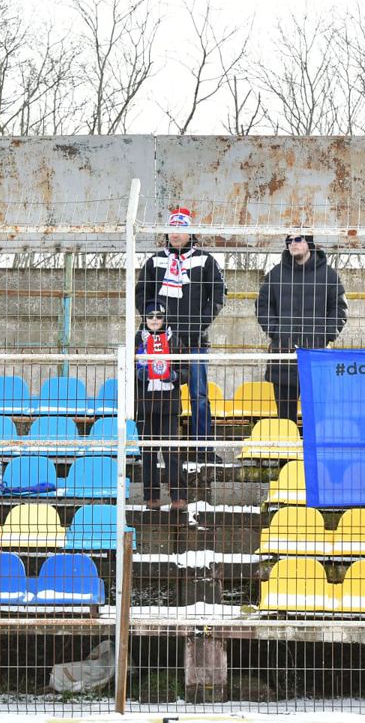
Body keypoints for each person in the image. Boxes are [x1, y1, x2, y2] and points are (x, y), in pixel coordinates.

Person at [135, 207, 226, 457]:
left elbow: (218, 296)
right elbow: (142, 294)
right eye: (172, 230)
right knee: (158, 391)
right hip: (160, 341)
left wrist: (199, 325)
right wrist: (155, 322)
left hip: (195, 339)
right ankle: (156, 451)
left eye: (181, 230)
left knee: (198, 393)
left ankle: (203, 449)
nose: (175, 235)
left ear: (190, 233)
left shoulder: (205, 260)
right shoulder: (155, 261)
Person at [255, 231, 347, 422]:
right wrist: (275, 331)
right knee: (284, 420)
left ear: (309, 243)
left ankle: (314, 453)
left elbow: (339, 308)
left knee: (316, 417)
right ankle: (288, 452)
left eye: (298, 239)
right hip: (283, 355)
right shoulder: (276, 274)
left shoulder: (328, 275)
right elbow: (262, 305)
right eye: (289, 241)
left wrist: (326, 336)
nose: (293, 244)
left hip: (316, 355)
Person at [134, 303, 185, 511]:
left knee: (171, 451)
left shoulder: (175, 340)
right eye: (150, 316)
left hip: (168, 405)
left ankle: (178, 496)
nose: (154, 320)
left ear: (165, 319)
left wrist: (175, 376)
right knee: (148, 452)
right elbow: (127, 366)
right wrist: (139, 374)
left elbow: (186, 369)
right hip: (145, 405)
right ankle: (151, 496)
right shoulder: (138, 339)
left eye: (159, 316)